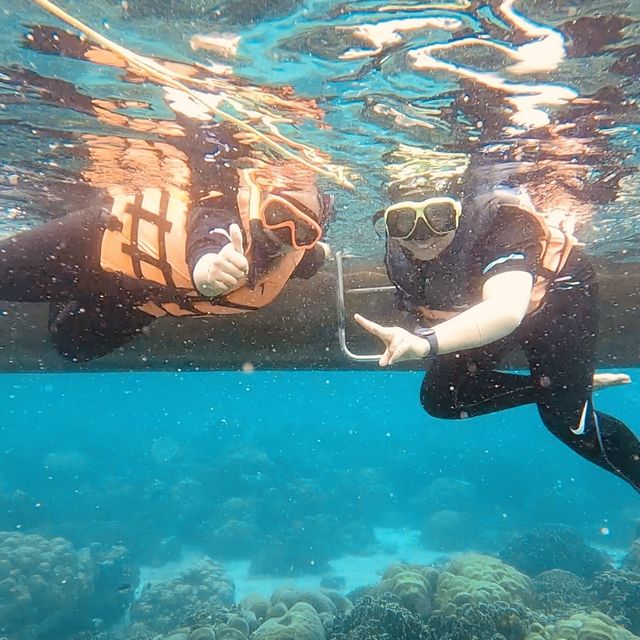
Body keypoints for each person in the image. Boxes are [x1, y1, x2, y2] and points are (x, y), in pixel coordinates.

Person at [0, 25, 335, 363]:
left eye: (302, 231)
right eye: (277, 215)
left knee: (71, 347)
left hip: (133, 297)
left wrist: (317, 251)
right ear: (262, 201)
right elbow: (208, 231)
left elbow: (305, 260)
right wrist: (206, 269)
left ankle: (65, 291)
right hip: (93, 244)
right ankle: (63, 266)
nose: (284, 234)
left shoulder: (296, 251)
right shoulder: (225, 209)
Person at [354, 181, 640, 494]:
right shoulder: (401, 249)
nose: (422, 236)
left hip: (555, 297)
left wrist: (425, 343)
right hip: (480, 312)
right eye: (403, 222)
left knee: (569, 424)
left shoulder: (503, 224)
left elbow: (505, 310)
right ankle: (558, 386)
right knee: (441, 399)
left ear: (460, 211)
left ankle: (563, 393)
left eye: (438, 216)